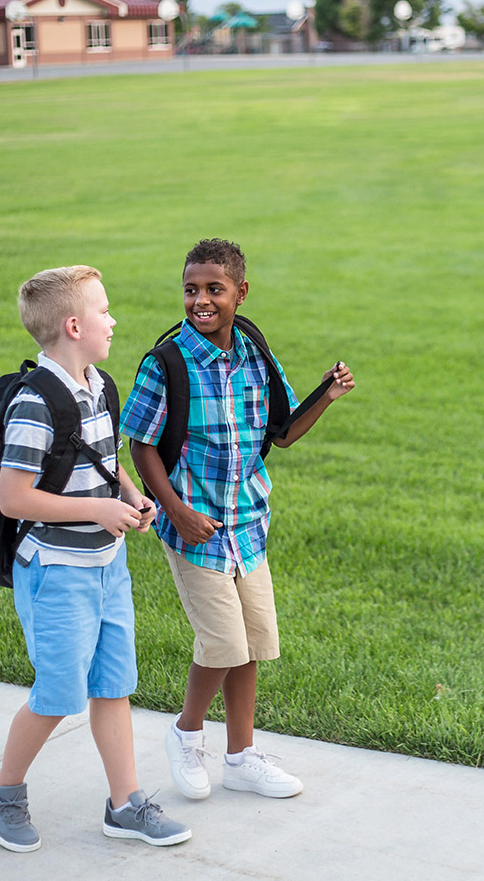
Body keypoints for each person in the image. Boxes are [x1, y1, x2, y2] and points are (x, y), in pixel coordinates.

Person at [120, 238, 354, 802]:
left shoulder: (254, 353)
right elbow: (141, 443)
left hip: (247, 523)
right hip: (195, 530)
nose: (201, 300)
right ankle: (186, 733)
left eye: (214, 290)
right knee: (222, 643)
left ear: (239, 293)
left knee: (251, 643)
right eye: (191, 290)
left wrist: (327, 394)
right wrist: (175, 509)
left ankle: (242, 756)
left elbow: (283, 431)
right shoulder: (167, 363)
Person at [0, 265, 191, 853]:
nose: (113, 319)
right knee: (58, 694)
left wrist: (128, 494)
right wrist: (95, 513)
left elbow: (103, 457)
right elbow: (14, 497)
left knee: (113, 685)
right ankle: (4, 788)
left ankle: (125, 804)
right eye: (104, 310)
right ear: (74, 325)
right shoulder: (34, 404)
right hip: (56, 571)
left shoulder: (100, 384)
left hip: (106, 566)